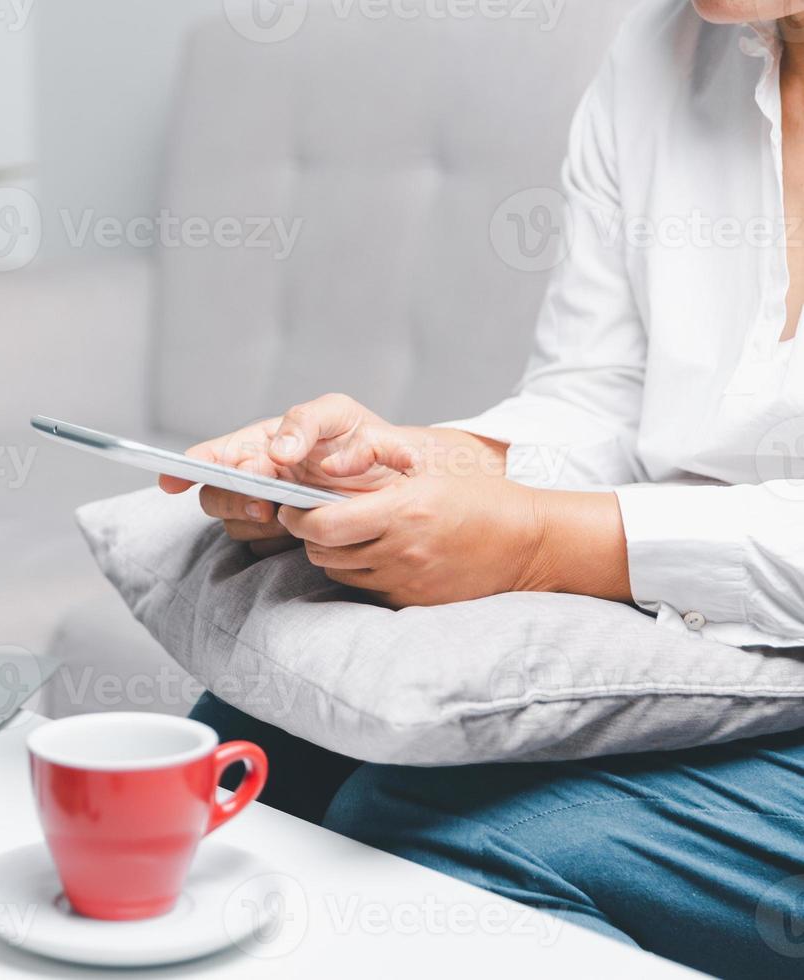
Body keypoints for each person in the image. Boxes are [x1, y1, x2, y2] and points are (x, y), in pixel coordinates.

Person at [159, 2, 804, 975]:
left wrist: (537, 541)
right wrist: (416, 465)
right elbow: (601, 395)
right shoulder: (663, 49)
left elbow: (555, 530)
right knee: (248, 749)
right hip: (719, 652)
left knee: (431, 845)